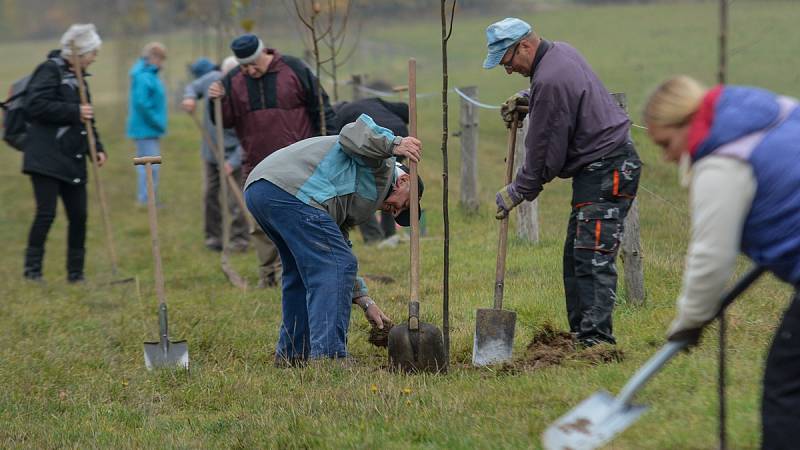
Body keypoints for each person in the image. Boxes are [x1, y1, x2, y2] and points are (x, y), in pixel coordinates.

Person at [644, 75, 800, 450]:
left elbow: (711, 258)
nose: (666, 157)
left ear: (687, 121)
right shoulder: (772, 107)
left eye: (666, 143)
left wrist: (689, 321)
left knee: (787, 387)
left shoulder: (721, 163)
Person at [483, 18, 642, 347]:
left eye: (507, 61)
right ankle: (581, 337)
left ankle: (596, 345)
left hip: (607, 169)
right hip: (599, 169)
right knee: (575, 256)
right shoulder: (559, 54)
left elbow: (544, 154)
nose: (507, 70)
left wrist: (518, 191)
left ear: (524, 46)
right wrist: (527, 98)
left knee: (592, 257)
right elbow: (556, 92)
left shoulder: (551, 77)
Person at [244, 114, 422, 364]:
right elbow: (353, 132)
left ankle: (293, 354)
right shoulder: (382, 164)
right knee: (335, 264)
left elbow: (335, 247)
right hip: (290, 190)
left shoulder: (355, 201)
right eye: (398, 206)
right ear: (404, 181)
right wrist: (395, 144)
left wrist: (364, 300)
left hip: (263, 189)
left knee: (301, 273)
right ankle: (329, 356)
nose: (391, 211)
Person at [208, 33, 337, 288]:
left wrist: (330, 144)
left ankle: (309, 269)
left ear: (263, 54)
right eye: (243, 66)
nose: (249, 70)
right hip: (257, 163)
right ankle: (269, 276)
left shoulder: (294, 69)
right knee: (260, 224)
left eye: (252, 64)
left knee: (304, 217)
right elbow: (224, 120)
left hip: (300, 163)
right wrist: (216, 102)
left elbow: (321, 107)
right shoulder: (233, 80)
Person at [21, 23, 106, 282]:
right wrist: (73, 112)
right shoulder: (49, 70)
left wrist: (98, 148)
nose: (94, 58)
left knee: (79, 216)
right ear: (79, 53)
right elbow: (34, 105)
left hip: (73, 156)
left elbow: (87, 117)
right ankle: (33, 272)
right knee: (46, 214)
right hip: (45, 157)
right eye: (92, 53)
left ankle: (76, 274)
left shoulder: (81, 79)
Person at [182, 57, 248, 252]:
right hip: (210, 152)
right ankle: (214, 238)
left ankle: (240, 240)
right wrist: (190, 98)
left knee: (235, 200)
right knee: (210, 195)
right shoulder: (212, 79)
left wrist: (233, 162)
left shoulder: (245, 96)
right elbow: (192, 87)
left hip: (235, 154)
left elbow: (249, 137)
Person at [333, 81, 409, 246]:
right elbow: (404, 109)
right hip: (398, 135)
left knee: (365, 189)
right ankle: (389, 233)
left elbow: (338, 143)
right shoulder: (372, 101)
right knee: (391, 185)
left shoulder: (339, 117)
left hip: (376, 142)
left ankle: (374, 238)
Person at [127, 42, 167, 206]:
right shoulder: (144, 76)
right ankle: (146, 200)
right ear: (152, 57)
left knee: (148, 165)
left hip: (148, 128)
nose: (162, 63)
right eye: (161, 59)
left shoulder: (148, 74)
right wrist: (157, 121)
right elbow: (142, 103)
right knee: (150, 166)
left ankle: (148, 198)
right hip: (145, 128)